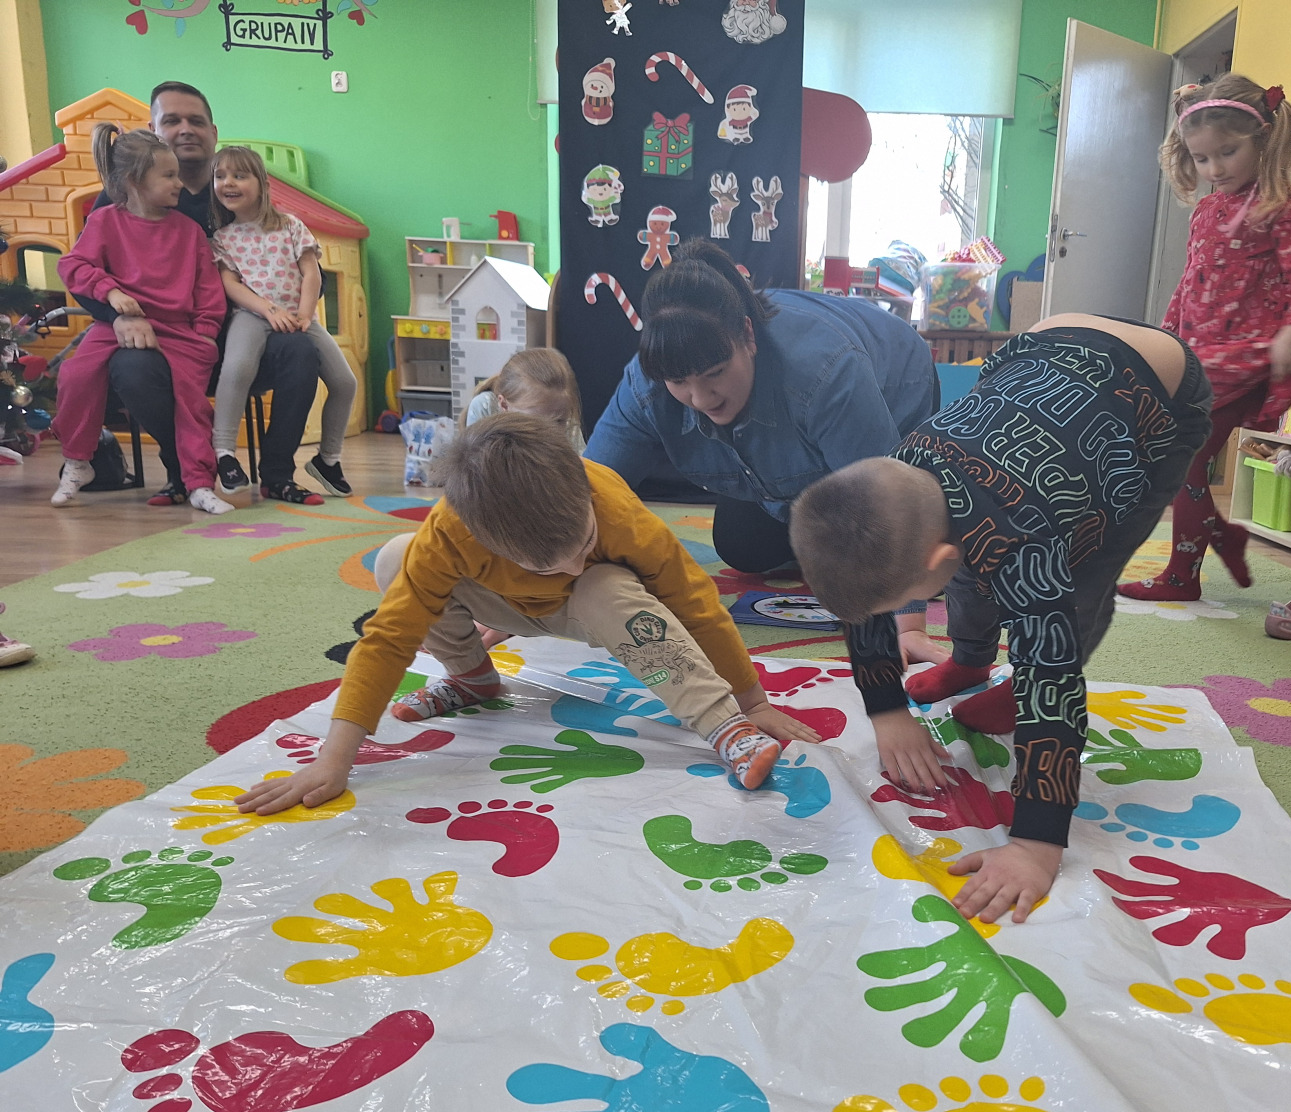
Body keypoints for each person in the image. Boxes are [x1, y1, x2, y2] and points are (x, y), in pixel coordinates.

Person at [790, 314, 1212, 923]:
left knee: (1082, 582)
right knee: (964, 567)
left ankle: (998, 677)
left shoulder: (1026, 544)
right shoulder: (897, 477)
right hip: (1042, 350)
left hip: (1160, 392)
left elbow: (1053, 681)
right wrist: (886, 710)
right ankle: (970, 662)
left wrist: (1035, 847)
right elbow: (867, 593)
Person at [232, 412, 820, 817]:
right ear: (481, 536)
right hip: (499, 604)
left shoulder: (615, 506)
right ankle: (472, 679)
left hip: (600, 613)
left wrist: (750, 704)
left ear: (583, 491)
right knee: (394, 559)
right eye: (547, 564)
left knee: (599, 584)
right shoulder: (449, 531)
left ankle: (722, 729)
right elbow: (388, 639)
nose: (571, 563)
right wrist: (334, 760)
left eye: (583, 541)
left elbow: (697, 605)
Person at [586, 239, 946, 665]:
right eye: (679, 382)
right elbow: (589, 492)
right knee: (742, 547)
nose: (700, 398)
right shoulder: (646, 384)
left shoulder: (826, 372)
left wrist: (909, 625)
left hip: (895, 378)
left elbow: (887, 502)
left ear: (748, 336)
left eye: (715, 373)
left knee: (899, 553)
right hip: (788, 447)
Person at [1117, 74, 1291, 603]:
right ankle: (1218, 538)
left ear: (1263, 139)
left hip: (1245, 356)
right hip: (1198, 354)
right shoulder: (1208, 209)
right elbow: (1192, 280)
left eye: (1228, 153)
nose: (1215, 168)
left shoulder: (1280, 203)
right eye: (1202, 158)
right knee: (1179, 459)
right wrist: (1166, 337)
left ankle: (1183, 575)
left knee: (1182, 458)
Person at [74, 81, 323, 507]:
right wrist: (119, 315)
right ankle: (184, 473)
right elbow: (81, 269)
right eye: (172, 121)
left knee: (301, 350)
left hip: (248, 336)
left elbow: (299, 260)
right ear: (154, 129)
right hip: (163, 339)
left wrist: (293, 306)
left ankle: (278, 474)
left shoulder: (240, 187)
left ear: (213, 131)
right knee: (131, 368)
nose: (186, 129)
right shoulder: (122, 197)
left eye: (196, 121)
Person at [51, 125, 229, 513]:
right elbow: (74, 266)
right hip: (114, 326)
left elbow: (208, 291)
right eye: (169, 176)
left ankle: (199, 483)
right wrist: (111, 294)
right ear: (134, 181)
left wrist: (206, 334)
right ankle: (78, 461)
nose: (179, 183)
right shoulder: (104, 221)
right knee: (75, 375)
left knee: (191, 406)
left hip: (180, 333)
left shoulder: (190, 231)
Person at [210, 145, 356, 503]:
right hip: (251, 316)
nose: (228, 183)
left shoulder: (291, 226)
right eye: (220, 176)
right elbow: (230, 284)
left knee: (345, 382)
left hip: (299, 316)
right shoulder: (223, 238)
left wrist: (305, 313)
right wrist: (267, 309)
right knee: (237, 367)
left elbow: (311, 273)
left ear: (261, 183)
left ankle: (328, 459)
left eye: (239, 175)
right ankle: (224, 452)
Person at [462, 348, 586, 453]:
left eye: (558, 421)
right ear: (504, 405)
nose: (548, 432)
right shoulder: (486, 407)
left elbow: (583, 469)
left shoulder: (565, 420)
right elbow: (473, 467)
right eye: (536, 422)